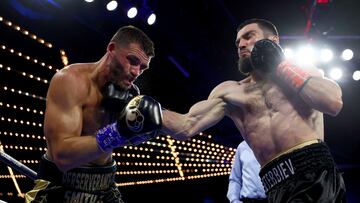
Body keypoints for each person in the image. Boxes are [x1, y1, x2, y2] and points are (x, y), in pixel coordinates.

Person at [160, 18, 346, 202]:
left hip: (314, 176)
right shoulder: (231, 92)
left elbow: (332, 103)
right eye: (238, 41)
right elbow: (186, 126)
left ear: (273, 41)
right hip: (274, 186)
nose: (241, 44)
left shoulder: (302, 69)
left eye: (249, 36)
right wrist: (144, 111)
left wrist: (281, 65)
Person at [25, 25, 163, 203]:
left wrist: (139, 133)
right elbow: (62, 157)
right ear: (111, 48)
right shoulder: (70, 81)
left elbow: (181, 125)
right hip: (60, 186)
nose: (136, 72)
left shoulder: (129, 93)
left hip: (104, 186)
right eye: (132, 61)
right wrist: (118, 133)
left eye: (143, 67)